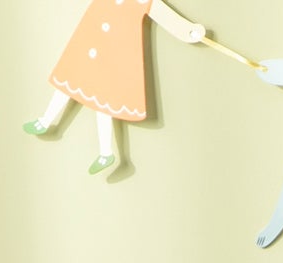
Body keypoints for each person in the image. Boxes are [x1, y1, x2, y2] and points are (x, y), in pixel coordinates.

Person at [25, 0, 209, 177]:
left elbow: (168, 19)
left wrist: (190, 32)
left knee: (104, 100)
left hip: (112, 54)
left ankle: (106, 153)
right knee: (69, 79)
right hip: (90, 40)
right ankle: (45, 121)